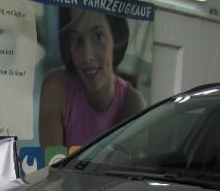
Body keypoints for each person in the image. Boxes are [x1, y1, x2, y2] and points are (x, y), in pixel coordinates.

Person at [39, 8, 146, 149]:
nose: (87, 56)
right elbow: (51, 160)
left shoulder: (133, 104)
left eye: (99, 37)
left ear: (115, 38)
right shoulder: (55, 88)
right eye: (77, 41)